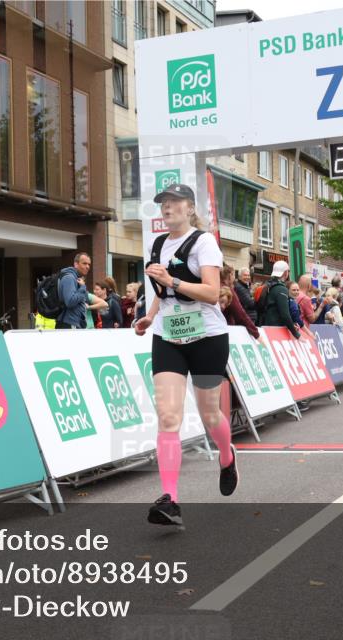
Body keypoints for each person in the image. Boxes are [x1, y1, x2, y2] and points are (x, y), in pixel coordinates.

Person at [133, 182, 235, 526]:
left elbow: (210, 292)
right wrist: (149, 314)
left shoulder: (204, 242)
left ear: (190, 208)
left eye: (175, 201)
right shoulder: (158, 244)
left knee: (210, 414)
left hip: (208, 338)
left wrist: (173, 281)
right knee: (168, 416)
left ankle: (226, 454)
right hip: (168, 337)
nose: (167, 207)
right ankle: (170, 499)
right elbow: (164, 291)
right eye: (163, 202)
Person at [262, 261, 301, 339]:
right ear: (285, 273)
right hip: (276, 331)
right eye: (288, 271)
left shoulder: (267, 285)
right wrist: (296, 333)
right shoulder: (281, 289)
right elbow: (285, 315)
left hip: (265, 327)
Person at [220, 265, 259, 338]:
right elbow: (240, 312)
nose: (247, 277)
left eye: (248, 275)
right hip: (226, 328)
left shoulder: (242, 287)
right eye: (245, 275)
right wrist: (256, 333)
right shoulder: (232, 289)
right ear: (230, 275)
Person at [56, 253, 92, 329]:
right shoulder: (69, 278)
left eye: (89, 264)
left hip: (75, 323)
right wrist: (82, 288)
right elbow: (70, 302)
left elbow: (85, 300)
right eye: (84, 263)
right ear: (76, 264)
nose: (87, 267)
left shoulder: (77, 279)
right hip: (69, 323)